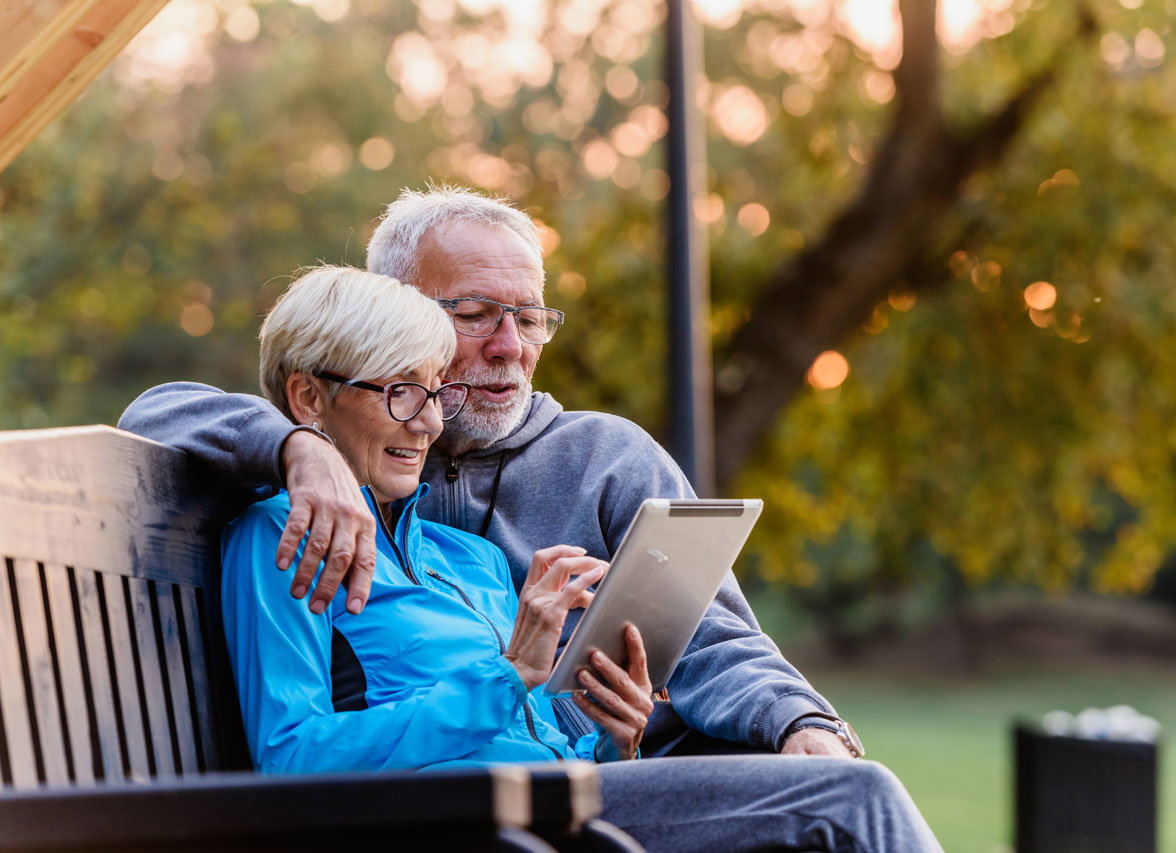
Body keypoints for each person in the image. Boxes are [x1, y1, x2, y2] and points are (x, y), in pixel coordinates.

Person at [222, 264, 969, 853]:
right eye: (398, 394)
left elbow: (529, 733)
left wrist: (612, 739)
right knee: (854, 793)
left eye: (432, 393)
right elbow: (294, 760)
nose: (425, 424)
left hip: (545, 822)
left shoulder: (465, 558)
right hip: (446, 851)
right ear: (309, 398)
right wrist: (508, 672)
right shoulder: (278, 537)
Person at [120, 185, 849, 762]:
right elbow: (160, 411)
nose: (510, 347)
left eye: (529, 319)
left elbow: (714, 635)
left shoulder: (606, 458)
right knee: (838, 826)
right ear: (400, 314)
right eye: (474, 314)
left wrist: (799, 723)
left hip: (638, 776)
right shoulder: (354, 440)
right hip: (488, 831)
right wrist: (297, 450)